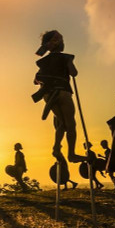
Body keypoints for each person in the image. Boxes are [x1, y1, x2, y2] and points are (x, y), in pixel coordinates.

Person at [32, 30, 86, 163]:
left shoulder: (43, 62)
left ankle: (56, 147)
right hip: (63, 92)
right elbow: (74, 73)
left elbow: (36, 80)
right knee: (70, 124)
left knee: (62, 122)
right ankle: (71, 154)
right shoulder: (66, 57)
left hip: (48, 94)